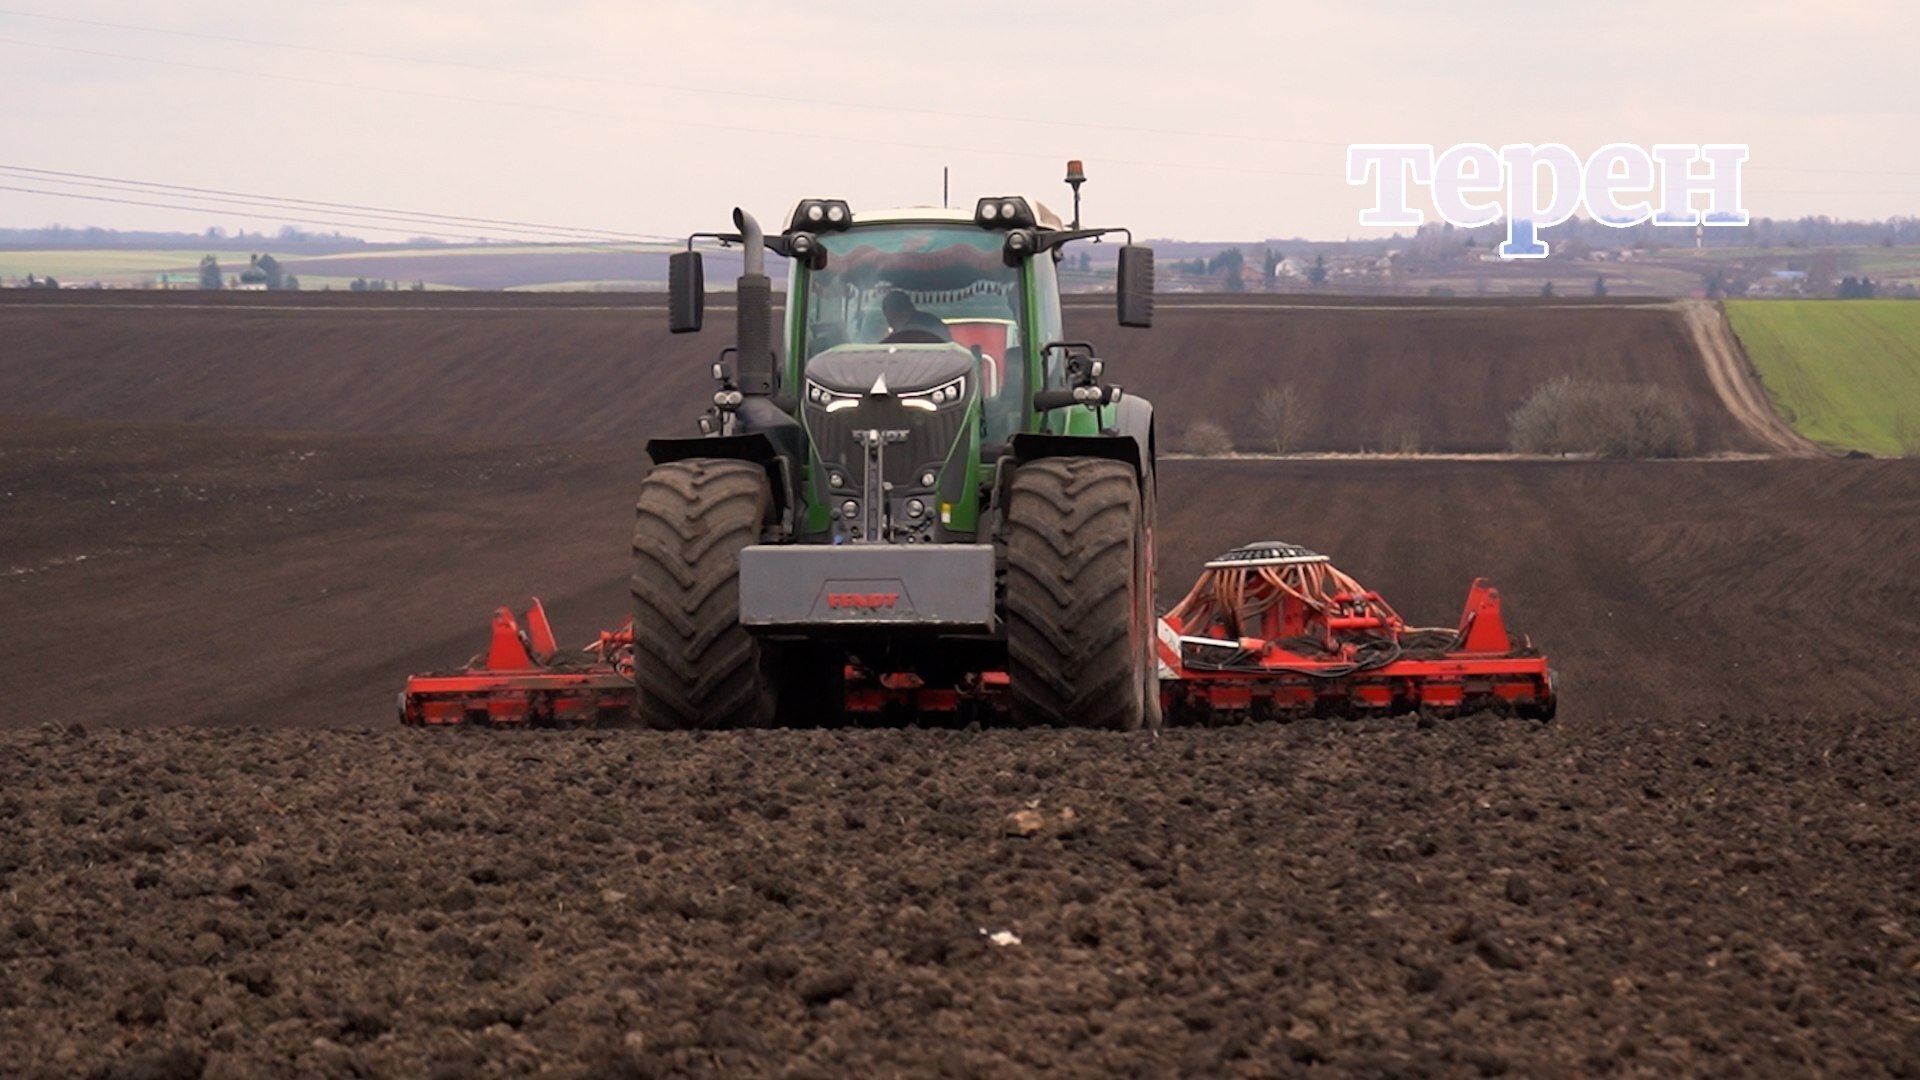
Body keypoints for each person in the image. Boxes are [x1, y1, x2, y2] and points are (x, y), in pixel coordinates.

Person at [880, 290, 951, 343]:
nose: (889, 323)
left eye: (891, 317)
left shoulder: (916, 331)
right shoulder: (931, 323)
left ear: (905, 311)